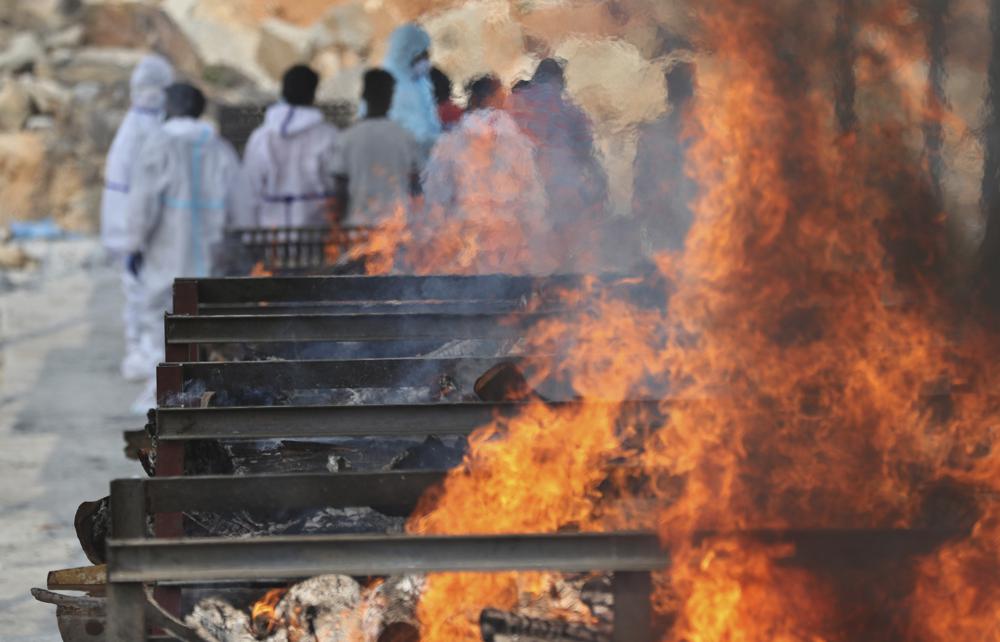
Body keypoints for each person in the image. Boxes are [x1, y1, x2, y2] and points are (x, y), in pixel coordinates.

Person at [125, 83, 241, 413]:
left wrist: (134, 245)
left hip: (166, 251)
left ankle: (163, 393)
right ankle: (203, 393)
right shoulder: (219, 148)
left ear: (170, 107)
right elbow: (241, 207)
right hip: (212, 253)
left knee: (162, 322)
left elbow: (141, 205)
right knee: (207, 323)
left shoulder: (157, 146)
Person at [422, 75, 550, 273]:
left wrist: (439, 232)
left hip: (465, 240)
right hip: (508, 241)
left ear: (473, 99)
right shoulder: (518, 143)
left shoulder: (450, 142)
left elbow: (435, 194)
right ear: (499, 100)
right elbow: (532, 196)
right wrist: (537, 232)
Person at [100, 54, 174, 381]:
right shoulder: (143, 130)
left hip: (133, 224)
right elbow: (136, 191)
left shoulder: (137, 127)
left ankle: (144, 351)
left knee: (142, 290)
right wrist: (133, 237)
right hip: (134, 225)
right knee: (140, 291)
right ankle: (141, 352)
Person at [507, 58, 609, 267]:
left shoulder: (512, 105)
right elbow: (586, 153)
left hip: (517, 189)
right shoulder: (570, 110)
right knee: (558, 251)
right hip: (559, 188)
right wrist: (601, 183)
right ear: (560, 81)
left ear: (535, 78)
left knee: (523, 250)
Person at [229, 65, 340, 229]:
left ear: (283, 91)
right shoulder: (328, 135)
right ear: (313, 93)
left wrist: (248, 234)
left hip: (270, 234)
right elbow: (335, 185)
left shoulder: (262, 137)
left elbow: (248, 191)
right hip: (314, 233)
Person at [330, 69, 422, 226]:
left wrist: (336, 223)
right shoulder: (405, 138)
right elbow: (415, 186)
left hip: (358, 227)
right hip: (396, 228)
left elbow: (340, 188)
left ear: (363, 95)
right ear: (391, 98)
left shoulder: (348, 138)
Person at [632, 61, 698, 252]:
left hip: (677, 210)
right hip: (674, 210)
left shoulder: (655, 130)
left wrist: (640, 201)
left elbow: (641, 173)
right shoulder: (702, 130)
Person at [381, 23, 441, 159]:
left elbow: (430, 121)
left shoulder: (419, 82)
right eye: (422, 56)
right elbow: (416, 133)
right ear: (406, 56)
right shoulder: (394, 87)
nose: (426, 62)